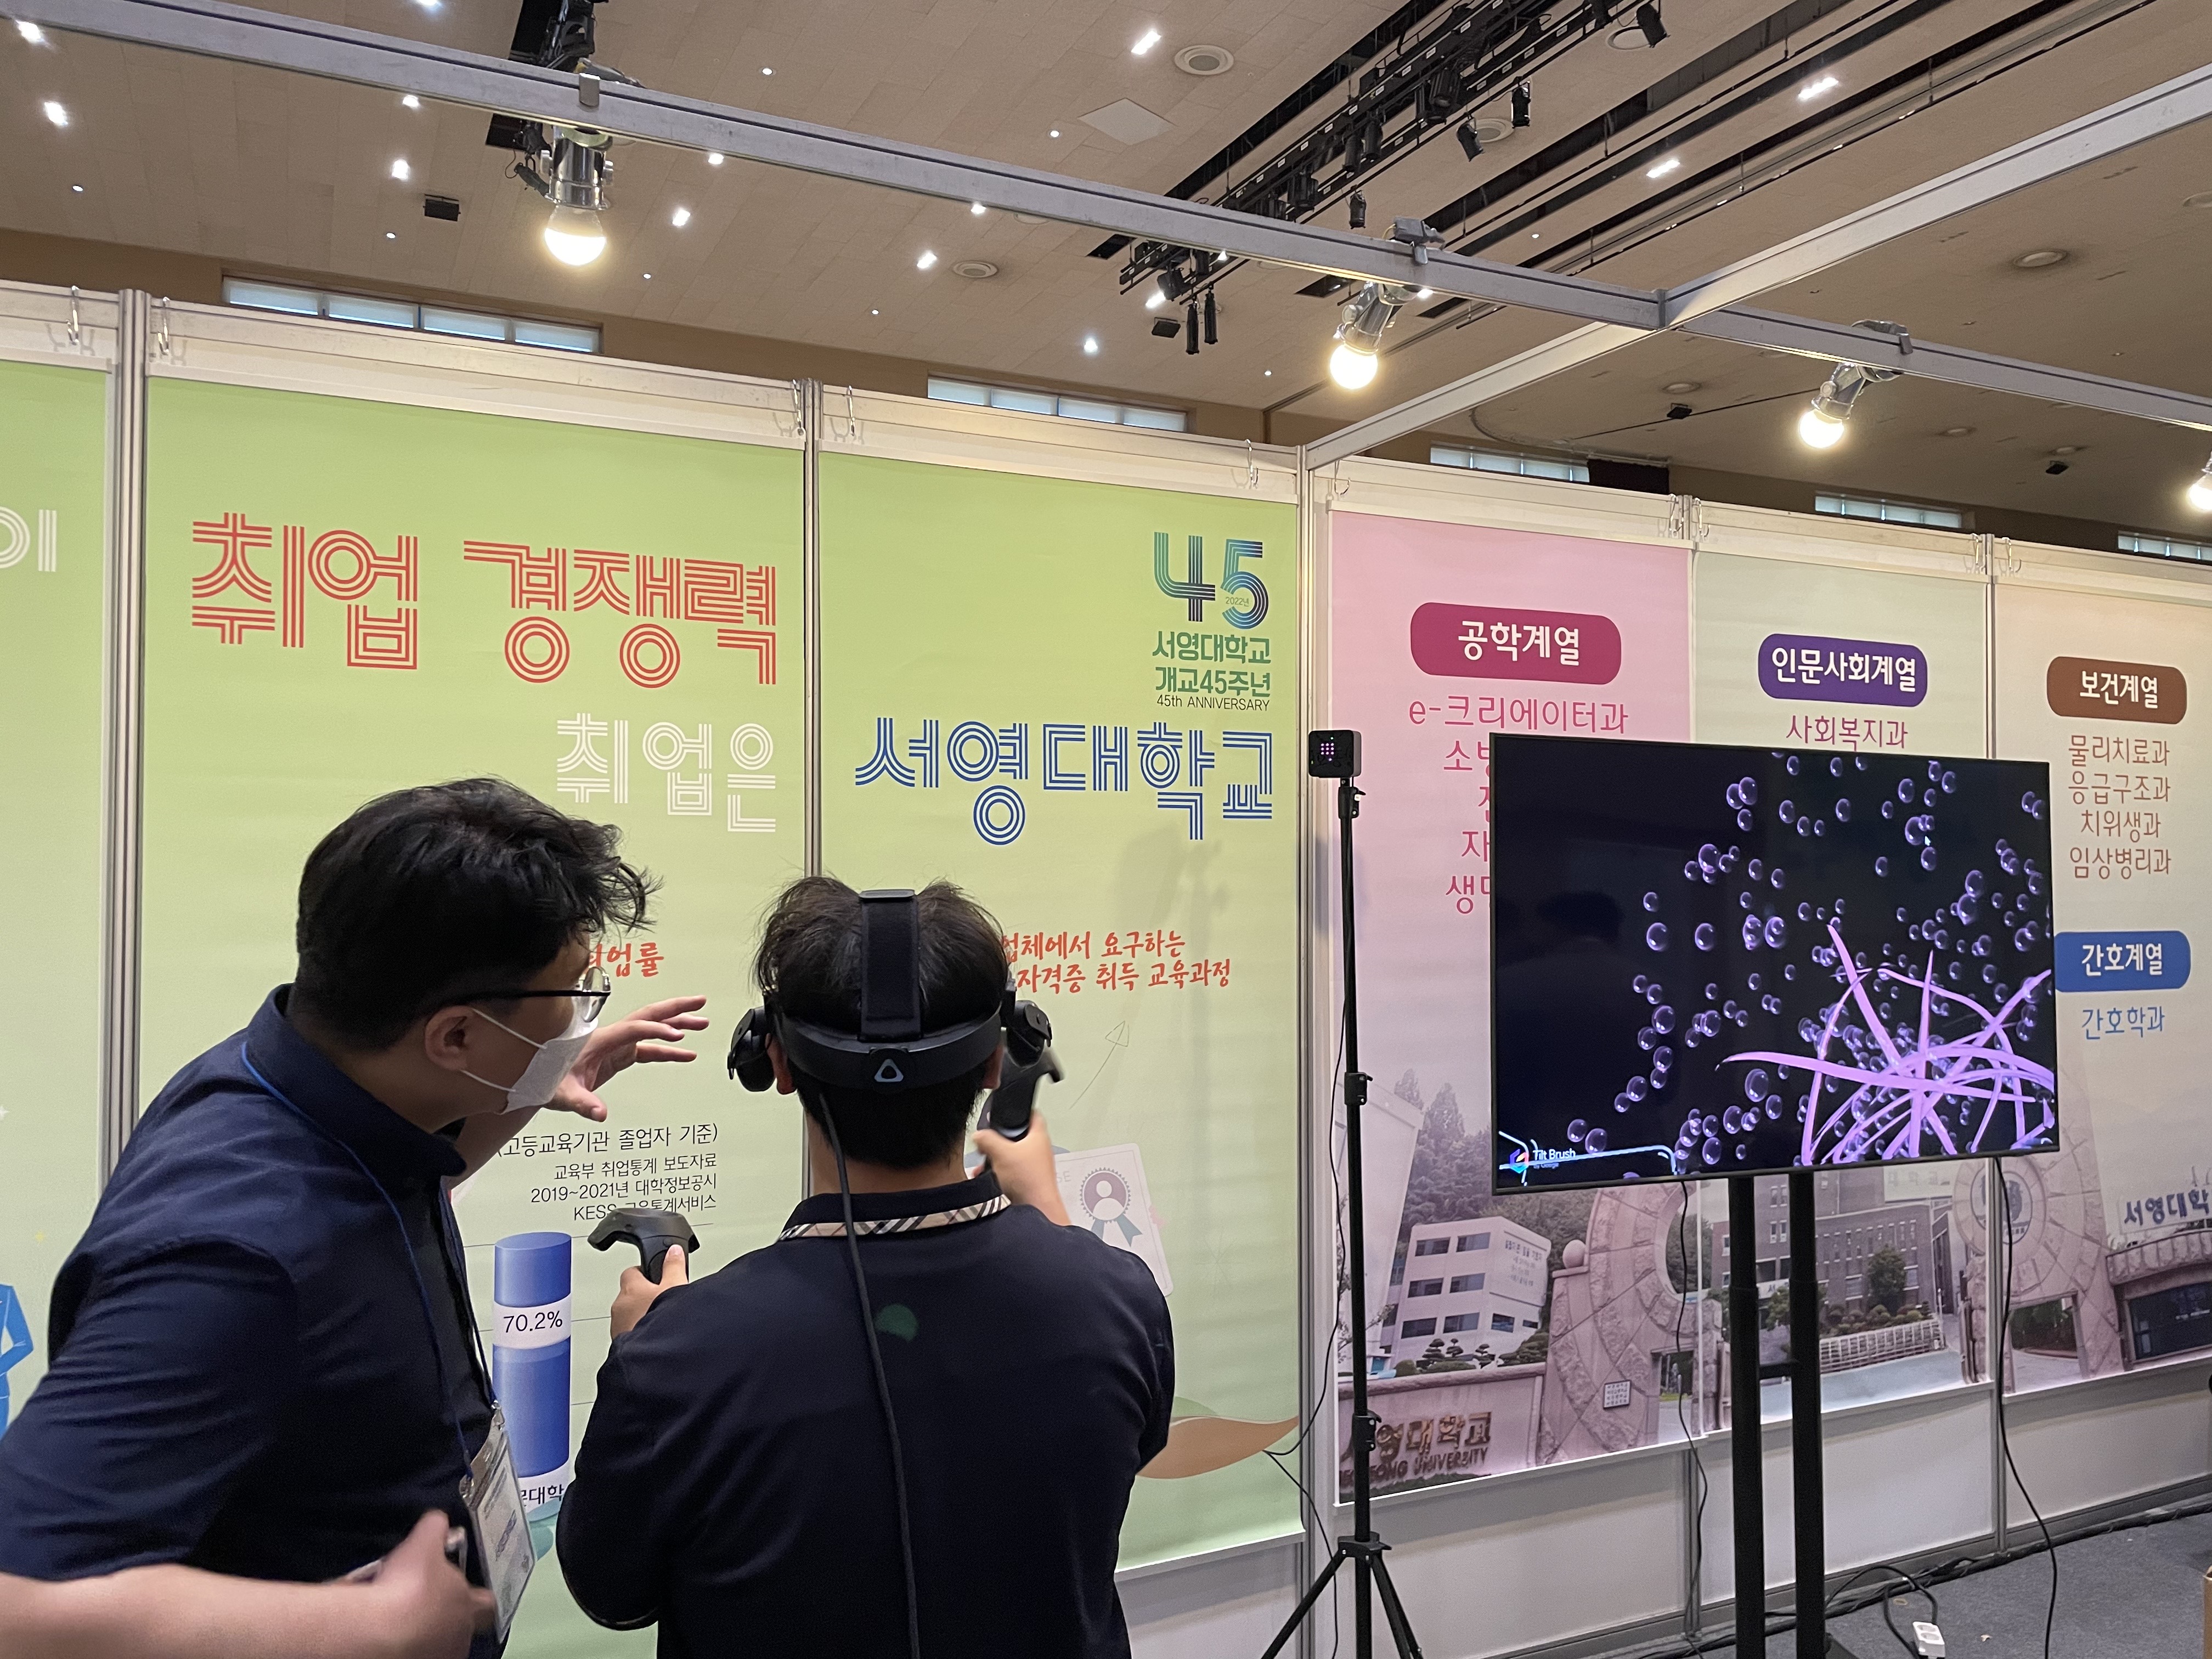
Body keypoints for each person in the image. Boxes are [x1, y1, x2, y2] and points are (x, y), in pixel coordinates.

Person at [0, 778, 708, 1657]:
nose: (578, 1012)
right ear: (455, 1038)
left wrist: (527, 1079)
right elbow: (17, 1599)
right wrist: (364, 1627)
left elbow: (389, 1190)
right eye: (569, 994)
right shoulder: (235, 1256)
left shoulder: (316, 1081)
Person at [557, 877, 1175, 1658]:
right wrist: (1049, 1223)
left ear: (775, 1059)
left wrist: (642, 1350)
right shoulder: (1118, 1296)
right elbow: (1116, 1457)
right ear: (997, 1060)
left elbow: (611, 1593)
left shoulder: (678, 1355)